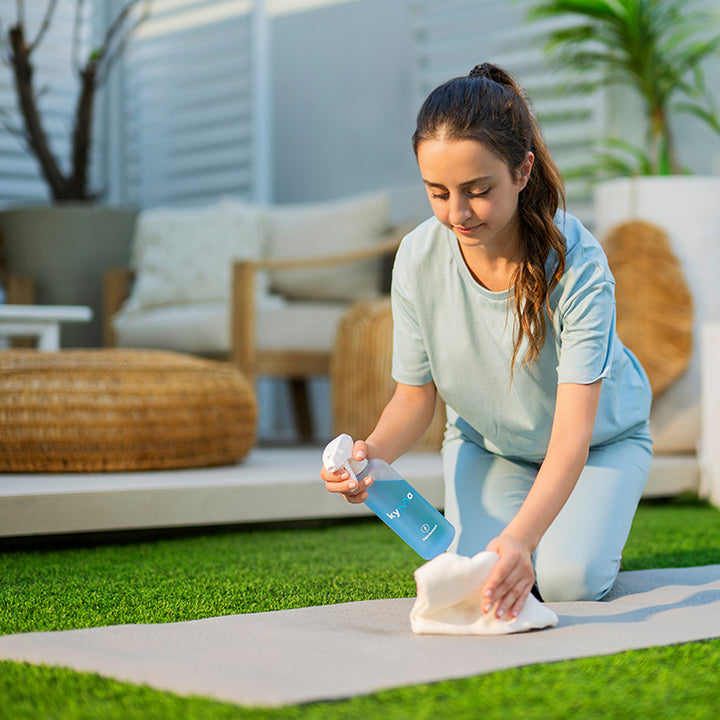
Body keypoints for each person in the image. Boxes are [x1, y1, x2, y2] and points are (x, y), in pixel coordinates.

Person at [321, 63, 653, 621]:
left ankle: (566, 537)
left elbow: (572, 437)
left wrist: (522, 539)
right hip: (489, 447)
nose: (457, 214)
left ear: (523, 172)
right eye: (437, 192)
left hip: (598, 445)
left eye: (478, 191)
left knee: (567, 580)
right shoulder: (417, 259)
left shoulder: (579, 266)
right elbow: (414, 397)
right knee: (478, 575)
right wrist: (369, 458)